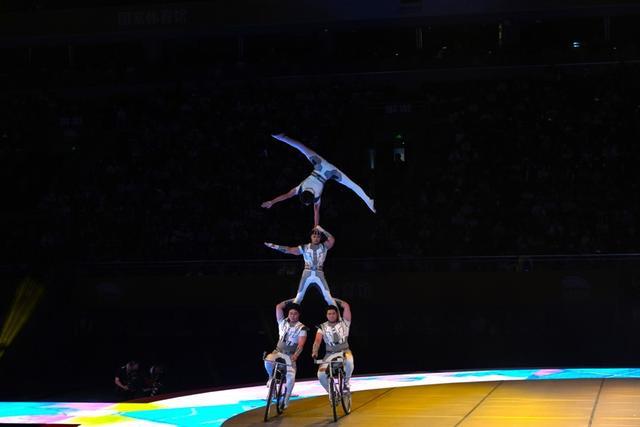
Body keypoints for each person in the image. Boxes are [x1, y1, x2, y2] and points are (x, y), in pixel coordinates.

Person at [261, 133, 375, 225]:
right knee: (301, 147)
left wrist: (317, 226)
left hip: (330, 173)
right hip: (319, 164)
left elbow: (316, 213)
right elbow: (286, 196)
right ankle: (280, 136)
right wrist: (272, 202)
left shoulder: (316, 199)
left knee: (352, 186)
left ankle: (369, 201)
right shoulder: (299, 189)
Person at [264, 225, 337, 306]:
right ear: (311, 237)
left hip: (319, 273)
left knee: (328, 297)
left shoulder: (324, 246)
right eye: (314, 236)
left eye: (318, 237)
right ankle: (291, 318)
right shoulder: (305, 247)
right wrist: (274, 246)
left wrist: (321, 229)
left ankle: (339, 318)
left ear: (320, 238)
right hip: (307, 273)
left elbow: (332, 239)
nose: (316, 238)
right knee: (298, 297)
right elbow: (289, 250)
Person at [264, 299, 307, 409]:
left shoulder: (302, 328)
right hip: (278, 352)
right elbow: (278, 306)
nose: (293, 316)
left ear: (299, 315)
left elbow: (301, 345)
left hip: (290, 355)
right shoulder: (282, 323)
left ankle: (285, 399)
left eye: (295, 314)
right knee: (268, 359)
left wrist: (295, 356)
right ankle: (271, 379)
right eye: (291, 313)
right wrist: (295, 299)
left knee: (291, 377)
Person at [312, 300, 354, 393]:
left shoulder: (345, 322)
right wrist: (315, 351)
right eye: (329, 314)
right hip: (329, 354)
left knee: (350, 361)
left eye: (333, 313)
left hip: (344, 351)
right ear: (326, 315)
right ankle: (332, 392)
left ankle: (346, 383)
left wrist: (330, 298)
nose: (331, 315)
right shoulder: (322, 327)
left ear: (337, 314)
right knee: (321, 375)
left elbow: (346, 305)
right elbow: (317, 340)